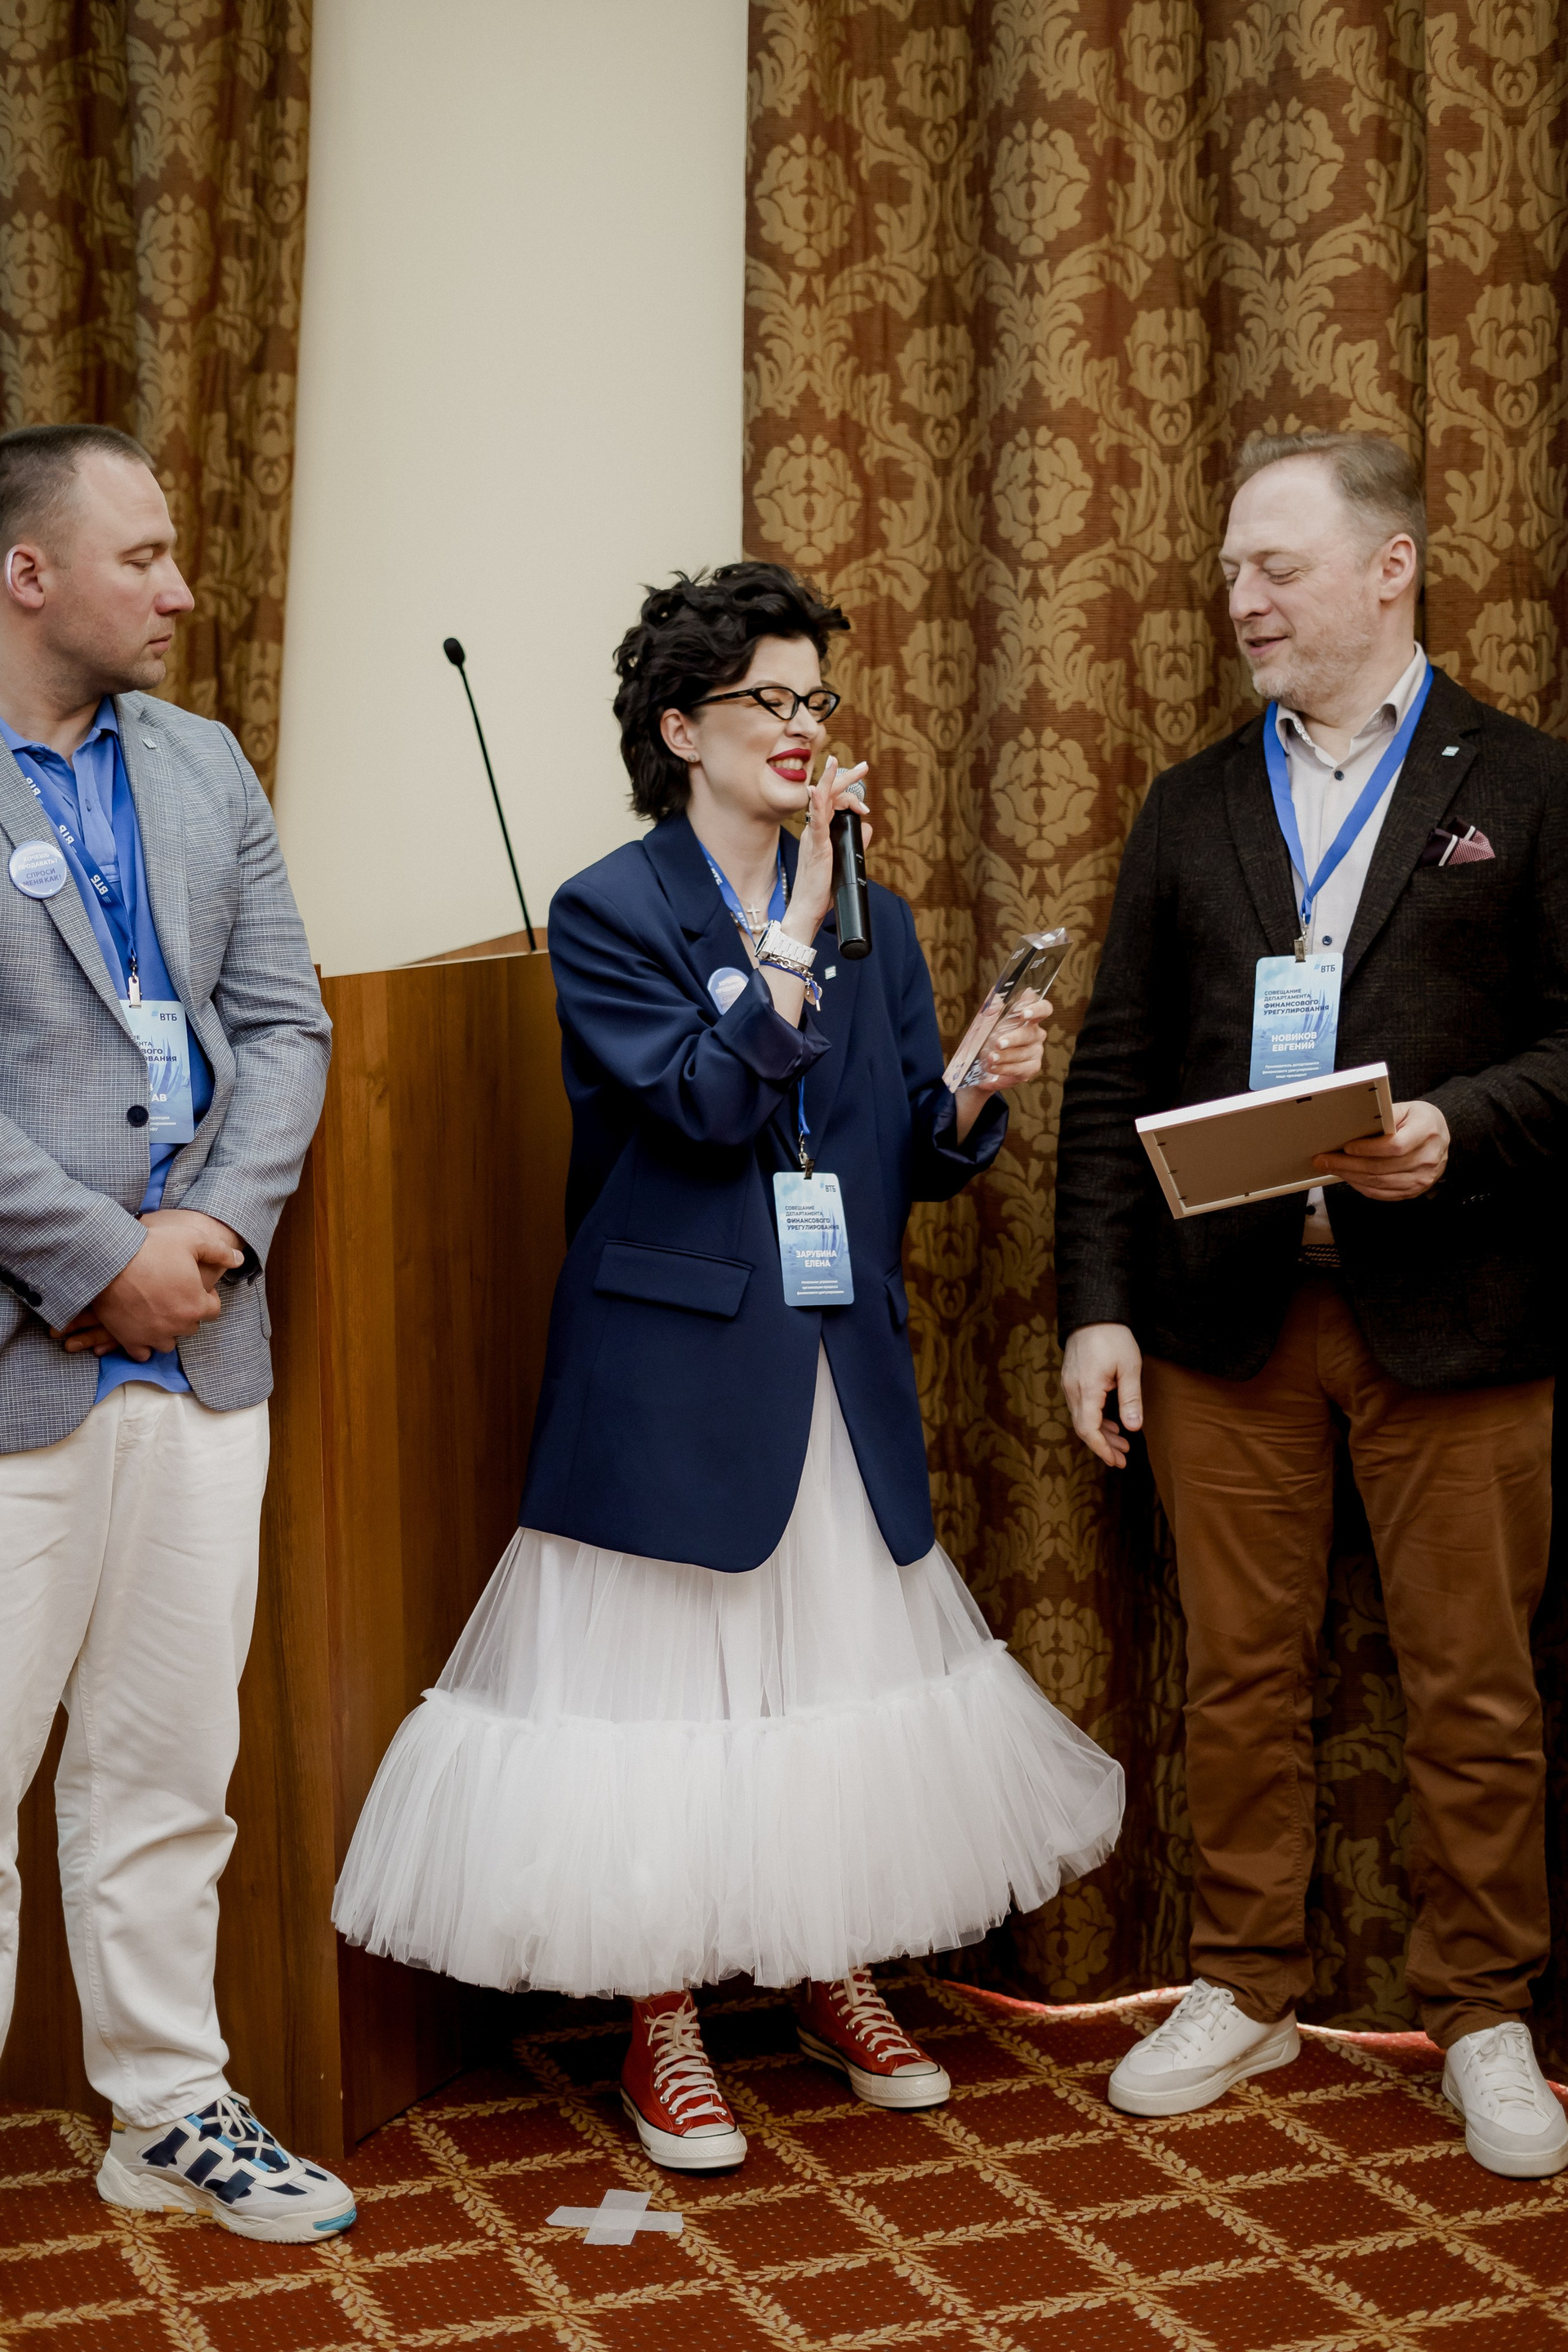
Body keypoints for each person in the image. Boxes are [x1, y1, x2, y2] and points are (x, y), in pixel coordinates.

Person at [336, 561, 1124, 2171]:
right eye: (768, 697)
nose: (802, 723)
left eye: (814, 696)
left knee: (829, 1685)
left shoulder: (874, 919)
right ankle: (663, 2014)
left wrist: (977, 1083)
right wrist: (800, 932)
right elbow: (701, 1106)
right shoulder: (613, 910)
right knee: (662, 1706)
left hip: (833, 1363)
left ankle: (831, 1970)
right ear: (682, 729)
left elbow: (903, 1150)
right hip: (670, 1370)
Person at [1055, 429, 1568, 2179]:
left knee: (1476, 1690)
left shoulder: (1531, 784)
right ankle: (1246, 1983)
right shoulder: (1191, 802)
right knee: (1239, 1681)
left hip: (1462, 1315)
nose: (1243, 599)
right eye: (1229, 572)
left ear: (1390, 567)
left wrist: (1458, 1127)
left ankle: (1482, 2011)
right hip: (1225, 1319)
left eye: (1276, 566)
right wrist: (1098, 1306)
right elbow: (1117, 1066)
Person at [0, 425, 349, 2238]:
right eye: (141, 555)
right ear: (27, 573)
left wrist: (201, 1236)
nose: (182, 589)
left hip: (201, 1349)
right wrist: (89, 1257)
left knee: (165, 1771)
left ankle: (167, 2111)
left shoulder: (201, 761)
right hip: (21, 1357)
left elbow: (285, 1024)